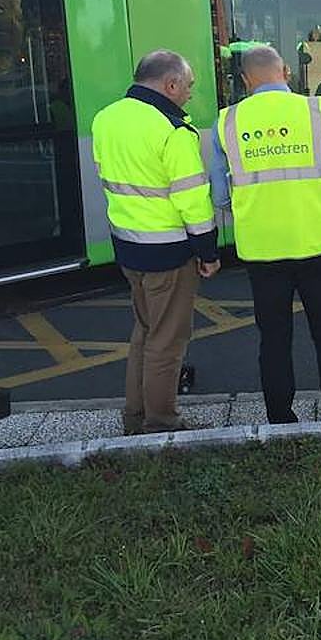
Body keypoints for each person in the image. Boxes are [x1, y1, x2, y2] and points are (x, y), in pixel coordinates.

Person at [208, 45, 321, 422]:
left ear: (245, 80)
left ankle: (280, 419)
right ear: (287, 73)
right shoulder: (318, 112)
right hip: (317, 244)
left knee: (274, 341)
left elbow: (220, 196)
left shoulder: (227, 122)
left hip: (262, 251)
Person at [91, 50, 219, 435]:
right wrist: (208, 253)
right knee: (167, 341)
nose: (190, 94)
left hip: (128, 247)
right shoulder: (173, 130)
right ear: (171, 84)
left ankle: (134, 417)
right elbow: (192, 201)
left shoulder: (106, 118)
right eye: (189, 86)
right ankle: (161, 422)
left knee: (145, 333)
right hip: (168, 253)